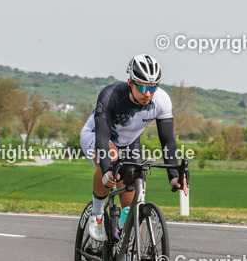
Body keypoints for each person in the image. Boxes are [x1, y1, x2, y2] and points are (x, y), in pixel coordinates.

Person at [80, 54, 187, 242]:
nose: (148, 93)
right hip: (97, 136)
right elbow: (103, 136)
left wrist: (174, 176)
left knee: (135, 207)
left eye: (153, 87)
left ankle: (125, 258)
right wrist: (106, 169)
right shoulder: (110, 94)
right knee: (111, 156)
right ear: (130, 82)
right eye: (143, 87)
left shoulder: (161, 100)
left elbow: (168, 141)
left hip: (129, 143)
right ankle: (96, 213)